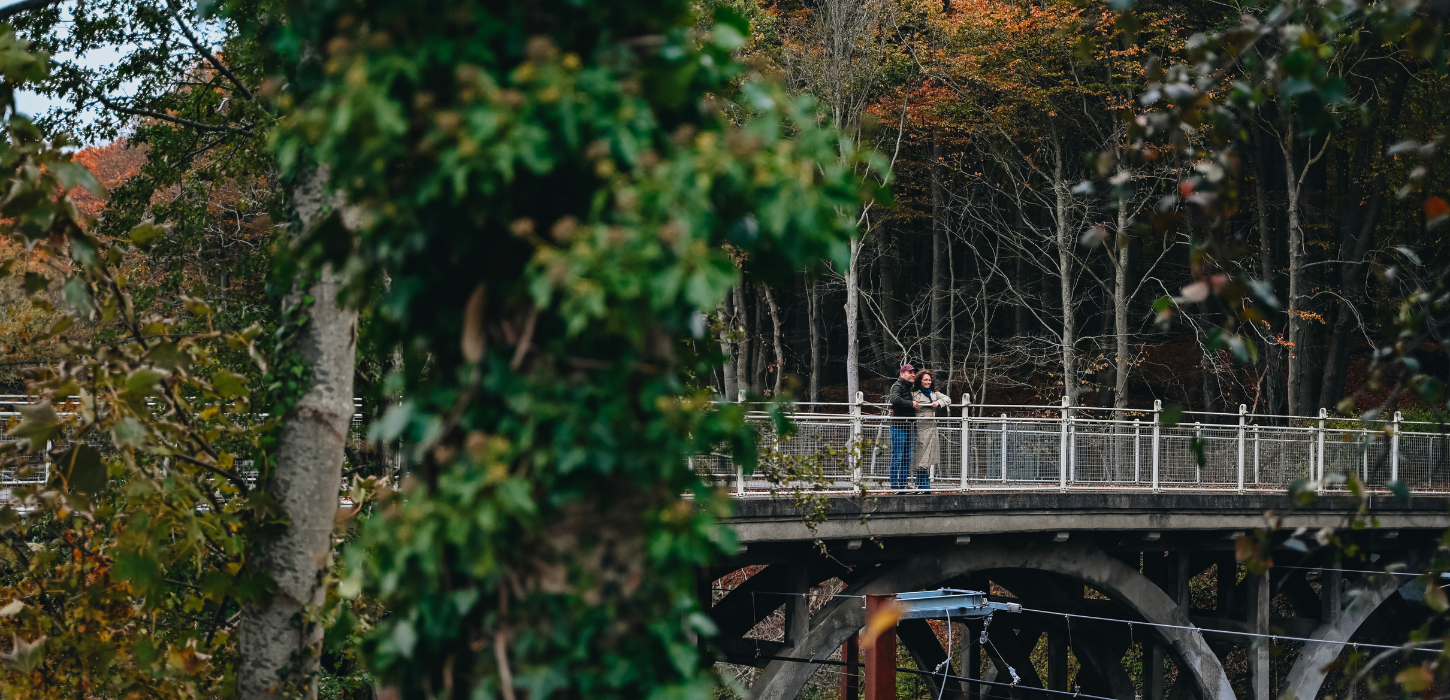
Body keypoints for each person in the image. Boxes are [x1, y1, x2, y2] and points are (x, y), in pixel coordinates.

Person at [912, 370, 952, 490]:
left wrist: (938, 403)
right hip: (919, 426)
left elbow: (947, 399)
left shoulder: (934, 393)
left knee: (928, 456)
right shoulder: (914, 393)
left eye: (930, 380)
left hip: (931, 426)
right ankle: (922, 485)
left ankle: (924, 486)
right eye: (925, 379)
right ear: (920, 380)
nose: (928, 382)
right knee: (921, 456)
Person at [887, 364, 919, 489]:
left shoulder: (910, 387)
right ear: (902, 374)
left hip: (910, 426)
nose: (913, 374)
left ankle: (903, 485)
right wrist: (911, 404)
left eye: (914, 372)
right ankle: (895, 485)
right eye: (909, 372)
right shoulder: (898, 385)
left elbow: (894, 402)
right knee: (898, 456)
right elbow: (895, 399)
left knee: (906, 457)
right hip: (899, 426)